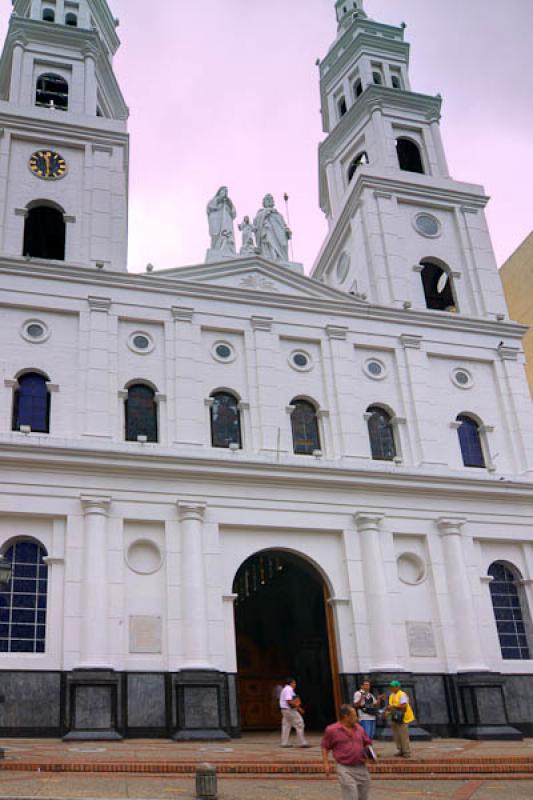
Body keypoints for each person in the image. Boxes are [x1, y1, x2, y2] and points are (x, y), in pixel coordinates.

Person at [322, 704, 372, 800]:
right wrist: (326, 764)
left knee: (363, 797)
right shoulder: (332, 730)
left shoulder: (360, 729)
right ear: (346, 717)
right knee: (351, 795)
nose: (356, 718)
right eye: (354, 716)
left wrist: (371, 757)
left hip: (361, 767)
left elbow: (367, 744)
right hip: (345, 768)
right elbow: (325, 747)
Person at [253, 194, 291, 262]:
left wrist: (287, 230)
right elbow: (256, 222)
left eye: (271, 199)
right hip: (268, 232)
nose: (270, 200)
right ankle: (272, 258)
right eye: (268, 199)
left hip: (279, 234)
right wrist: (266, 212)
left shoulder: (278, 214)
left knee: (283, 245)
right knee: (269, 243)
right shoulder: (261, 212)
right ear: (264, 203)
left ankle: (281, 259)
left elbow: (283, 224)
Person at [383, 679, 415, 758]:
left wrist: (393, 706)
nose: (391, 688)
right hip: (395, 717)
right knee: (396, 735)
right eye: (391, 687)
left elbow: (404, 705)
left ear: (398, 687)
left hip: (403, 717)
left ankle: (406, 751)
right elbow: (390, 706)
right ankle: (400, 750)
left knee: (403, 735)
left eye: (393, 686)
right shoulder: (391, 695)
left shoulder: (402, 694)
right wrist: (386, 713)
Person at [279, 677, 310, 748]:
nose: (295, 684)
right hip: (289, 710)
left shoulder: (285, 689)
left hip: (284, 710)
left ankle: (284, 743)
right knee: (299, 723)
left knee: (286, 725)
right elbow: (289, 701)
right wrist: (299, 708)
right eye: (294, 683)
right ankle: (302, 742)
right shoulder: (288, 689)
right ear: (290, 683)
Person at [206, 186, 237, 254]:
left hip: (226, 222)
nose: (225, 192)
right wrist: (219, 200)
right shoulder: (214, 200)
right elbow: (209, 207)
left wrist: (229, 204)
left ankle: (227, 248)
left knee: (226, 234)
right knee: (216, 235)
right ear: (219, 192)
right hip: (216, 219)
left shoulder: (228, 202)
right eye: (223, 191)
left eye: (226, 191)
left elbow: (234, 213)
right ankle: (216, 249)